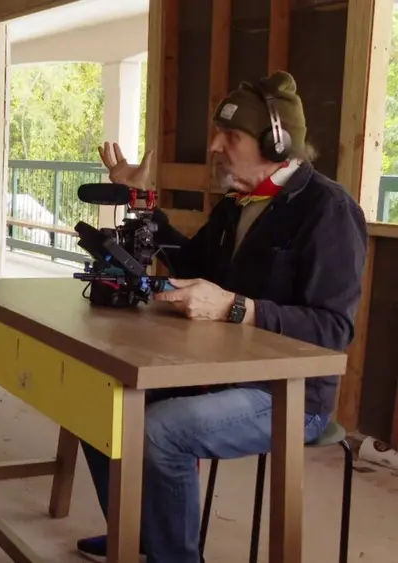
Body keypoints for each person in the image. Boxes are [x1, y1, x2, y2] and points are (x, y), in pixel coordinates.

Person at [73, 71, 368, 562]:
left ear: (276, 144)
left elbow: (334, 330)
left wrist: (239, 308)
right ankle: (139, 534)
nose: (214, 145)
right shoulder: (237, 203)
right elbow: (193, 265)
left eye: (230, 136)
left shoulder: (330, 210)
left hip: (288, 393)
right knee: (97, 403)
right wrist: (143, 204)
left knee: (161, 429)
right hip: (214, 369)